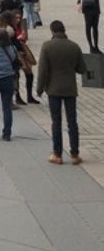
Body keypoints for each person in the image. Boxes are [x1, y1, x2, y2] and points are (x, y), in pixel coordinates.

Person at [37, 20, 87, 165]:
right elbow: (82, 69)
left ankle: (57, 154)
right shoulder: (74, 46)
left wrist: (39, 89)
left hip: (53, 89)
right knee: (72, 122)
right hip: (70, 89)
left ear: (52, 31)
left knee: (56, 122)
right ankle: (75, 154)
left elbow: (43, 71)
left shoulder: (47, 46)